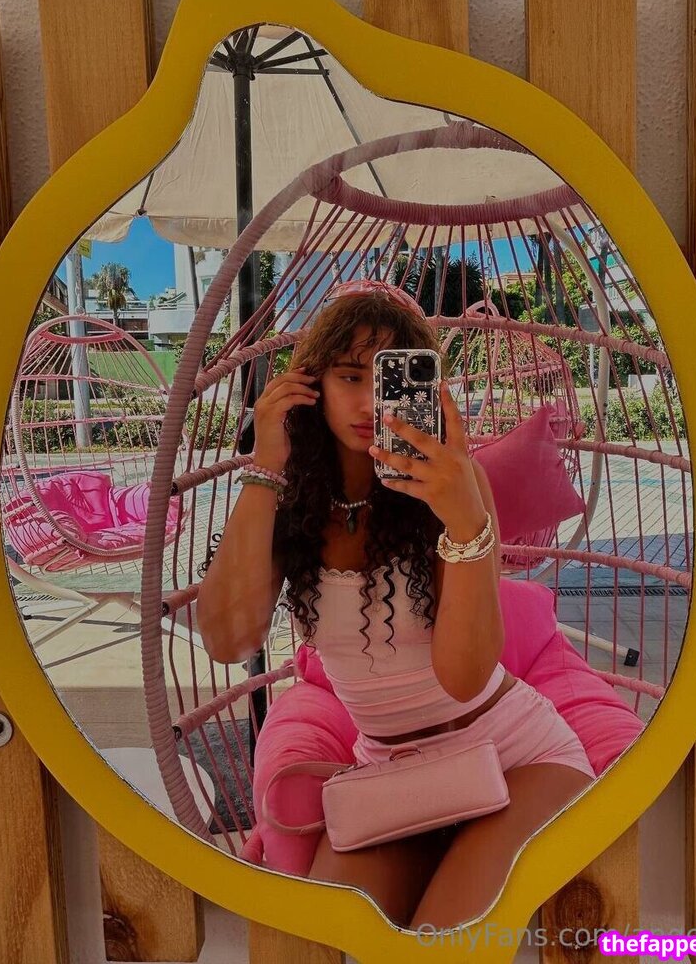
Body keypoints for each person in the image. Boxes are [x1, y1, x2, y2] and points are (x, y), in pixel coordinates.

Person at [197, 280, 595, 930]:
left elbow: (464, 676)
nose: (368, 401)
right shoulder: (294, 504)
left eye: (389, 379)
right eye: (350, 376)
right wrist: (266, 465)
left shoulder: (454, 487)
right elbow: (227, 640)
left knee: (443, 943)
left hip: (516, 757)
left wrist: (464, 517)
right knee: (331, 937)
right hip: (394, 781)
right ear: (311, 385)